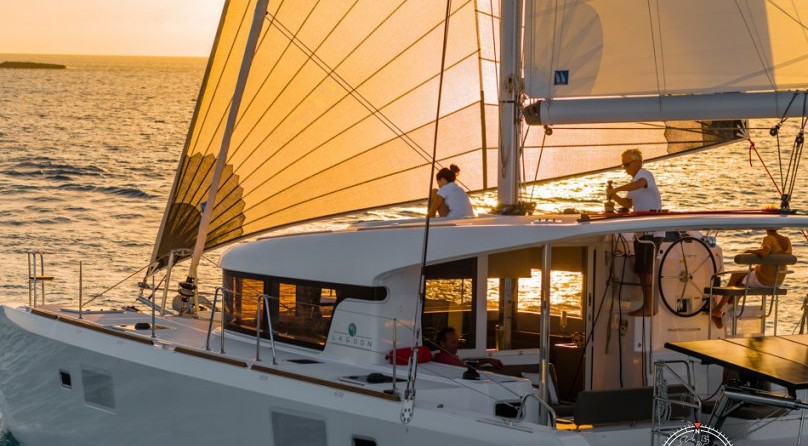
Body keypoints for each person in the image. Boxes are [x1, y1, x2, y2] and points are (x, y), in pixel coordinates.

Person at [606, 149, 662, 316]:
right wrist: (614, 196)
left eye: (627, 164)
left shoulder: (644, 175)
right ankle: (647, 305)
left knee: (646, 270)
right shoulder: (633, 182)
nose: (624, 168)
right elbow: (628, 203)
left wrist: (616, 189)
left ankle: (648, 307)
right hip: (641, 231)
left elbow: (640, 184)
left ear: (638, 163)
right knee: (641, 270)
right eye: (623, 165)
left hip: (651, 230)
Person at [711, 229, 792, 328]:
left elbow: (764, 252)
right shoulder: (786, 240)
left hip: (764, 279)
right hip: (777, 280)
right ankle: (726, 317)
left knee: (735, 277)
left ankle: (718, 309)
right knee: (740, 285)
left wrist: (751, 251)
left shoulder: (768, 238)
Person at [432, 327, 503, 368]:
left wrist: (488, 360)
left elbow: (465, 362)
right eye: (453, 342)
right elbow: (466, 366)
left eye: (457, 342)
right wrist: (487, 360)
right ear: (442, 344)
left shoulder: (441, 356)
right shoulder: (446, 359)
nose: (457, 345)